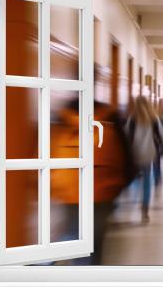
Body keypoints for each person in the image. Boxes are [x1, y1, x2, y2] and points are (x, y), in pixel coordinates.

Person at [51, 100, 129, 264]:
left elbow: (49, 151)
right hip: (100, 190)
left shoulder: (63, 116)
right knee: (94, 240)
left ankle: (49, 257)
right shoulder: (110, 117)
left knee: (75, 233)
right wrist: (119, 186)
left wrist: (53, 187)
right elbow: (126, 156)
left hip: (70, 190)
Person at [125, 96, 163, 222]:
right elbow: (162, 136)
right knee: (147, 182)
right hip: (149, 154)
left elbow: (126, 135)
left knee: (133, 180)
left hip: (135, 154)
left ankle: (132, 201)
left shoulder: (132, 119)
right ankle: (145, 209)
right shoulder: (153, 119)